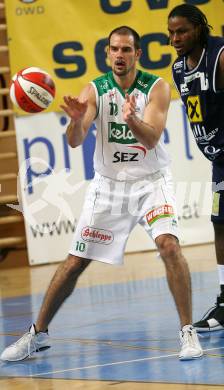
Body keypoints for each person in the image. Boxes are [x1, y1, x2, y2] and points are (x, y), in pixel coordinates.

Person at [0, 26, 202, 362]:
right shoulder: (95, 90)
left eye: (126, 50)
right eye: (114, 50)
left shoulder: (157, 87)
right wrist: (77, 122)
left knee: (169, 245)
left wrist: (133, 119)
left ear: (138, 54)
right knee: (75, 261)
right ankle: (37, 334)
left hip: (151, 182)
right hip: (109, 186)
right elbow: (75, 140)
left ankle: (187, 331)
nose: (119, 56)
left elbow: (151, 138)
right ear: (107, 54)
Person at [168, 4, 224, 332]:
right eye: (171, 32)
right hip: (219, 159)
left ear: (199, 29)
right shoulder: (179, 68)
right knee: (219, 224)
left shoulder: (219, 57)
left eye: (182, 31)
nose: (175, 38)